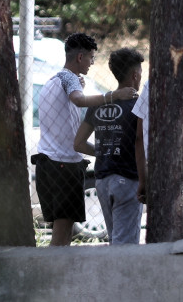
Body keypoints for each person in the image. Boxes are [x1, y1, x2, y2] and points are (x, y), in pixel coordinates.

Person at [34, 33, 136, 246]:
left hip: (48, 164)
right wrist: (114, 96)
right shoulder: (69, 78)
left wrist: (106, 152)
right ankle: (53, 276)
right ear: (80, 57)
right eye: (91, 58)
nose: (92, 63)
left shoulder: (53, 81)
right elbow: (79, 101)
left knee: (63, 234)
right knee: (61, 237)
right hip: (63, 166)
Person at [74, 48, 145, 244]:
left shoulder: (99, 103)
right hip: (128, 180)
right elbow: (140, 141)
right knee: (125, 245)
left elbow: (78, 143)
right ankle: (119, 275)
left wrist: (106, 151)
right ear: (135, 75)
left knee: (115, 239)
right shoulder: (138, 105)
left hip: (102, 181)